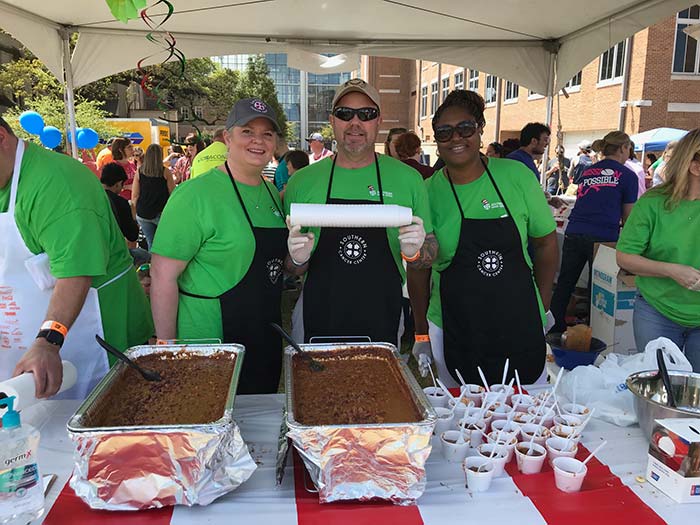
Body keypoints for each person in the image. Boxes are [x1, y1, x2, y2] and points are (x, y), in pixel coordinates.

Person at [408, 90, 558, 387]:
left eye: (465, 128)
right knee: (463, 419)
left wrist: (542, 306)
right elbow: (420, 267)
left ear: (480, 129)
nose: (456, 138)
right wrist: (421, 331)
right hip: (453, 324)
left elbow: (545, 243)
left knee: (525, 415)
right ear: (436, 140)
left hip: (519, 319)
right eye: (444, 132)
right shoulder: (427, 191)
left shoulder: (516, 176)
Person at [0, 116, 153, 398]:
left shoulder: (57, 183)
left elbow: (76, 272)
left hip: (93, 336)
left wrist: (49, 339)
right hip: (19, 344)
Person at [150, 98, 288, 394]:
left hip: (263, 333)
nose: (258, 141)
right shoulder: (195, 195)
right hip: (210, 338)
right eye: (247, 132)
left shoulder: (271, 193)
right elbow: (163, 275)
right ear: (227, 137)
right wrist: (165, 346)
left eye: (267, 134)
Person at [284, 78, 436, 346]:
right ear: (332, 120)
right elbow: (290, 267)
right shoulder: (303, 181)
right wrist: (296, 260)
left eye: (366, 114)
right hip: (318, 313)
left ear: (379, 120)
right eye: (345, 114)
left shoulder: (408, 179)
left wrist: (415, 252)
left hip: (382, 314)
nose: (355, 122)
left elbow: (429, 255)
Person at [616, 128, 700, 371]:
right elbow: (625, 257)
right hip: (657, 311)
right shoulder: (654, 203)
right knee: (660, 388)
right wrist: (672, 271)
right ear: (694, 166)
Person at [549, 131, 639, 333]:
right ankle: (595, 331)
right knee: (598, 286)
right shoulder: (627, 175)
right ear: (623, 148)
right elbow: (629, 216)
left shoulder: (588, 171)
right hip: (603, 235)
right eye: (629, 150)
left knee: (565, 282)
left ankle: (553, 328)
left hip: (575, 230)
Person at [102, 162, 151, 267]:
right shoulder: (120, 203)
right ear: (118, 184)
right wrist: (133, 216)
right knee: (146, 257)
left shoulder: (90, 198)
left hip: (90, 251)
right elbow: (132, 236)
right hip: (113, 255)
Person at [132, 144, 176, 249]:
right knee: (165, 242)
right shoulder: (165, 172)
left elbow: (135, 195)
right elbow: (173, 193)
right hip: (161, 213)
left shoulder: (140, 171)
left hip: (143, 213)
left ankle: (152, 263)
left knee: (150, 242)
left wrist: (134, 213)